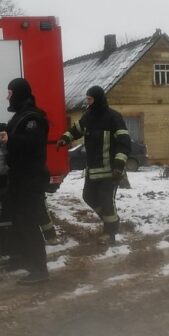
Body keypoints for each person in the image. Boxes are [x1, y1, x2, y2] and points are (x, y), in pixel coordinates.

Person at [0, 78, 50, 284]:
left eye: (10, 93)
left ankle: (40, 270)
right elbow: (13, 129)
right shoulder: (21, 116)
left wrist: (11, 139)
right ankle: (27, 261)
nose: (7, 97)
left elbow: (33, 141)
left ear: (19, 94)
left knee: (29, 223)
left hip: (30, 180)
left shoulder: (33, 118)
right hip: (20, 179)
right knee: (20, 221)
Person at [57, 86, 131, 245]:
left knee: (106, 200)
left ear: (97, 99)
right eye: (87, 99)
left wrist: (119, 165)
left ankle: (110, 233)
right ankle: (111, 221)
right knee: (88, 196)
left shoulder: (113, 117)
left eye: (90, 99)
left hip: (111, 170)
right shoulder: (88, 116)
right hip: (93, 170)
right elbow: (76, 130)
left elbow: (124, 143)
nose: (87, 102)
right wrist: (65, 138)